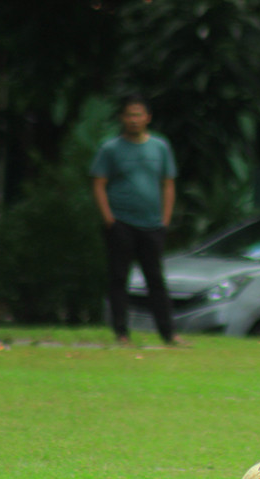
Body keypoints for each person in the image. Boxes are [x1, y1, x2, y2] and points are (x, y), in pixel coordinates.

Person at [91, 94, 179, 345]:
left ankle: (168, 334)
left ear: (147, 118)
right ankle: (121, 333)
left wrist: (165, 219)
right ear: (122, 118)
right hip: (121, 223)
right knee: (119, 278)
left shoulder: (160, 147)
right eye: (129, 114)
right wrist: (109, 219)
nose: (134, 119)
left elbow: (168, 184)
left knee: (156, 280)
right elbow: (98, 184)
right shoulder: (110, 149)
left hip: (152, 225)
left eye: (138, 114)